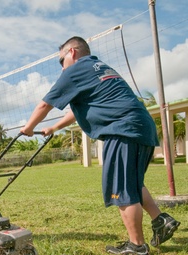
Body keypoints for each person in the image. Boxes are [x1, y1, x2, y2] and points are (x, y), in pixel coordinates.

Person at [20, 36, 180, 255]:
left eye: (61, 61)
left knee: (122, 190)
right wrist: (54, 128)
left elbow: (44, 104)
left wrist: (28, 127)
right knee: (131, 183)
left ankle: (137, 246)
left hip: (122, 129)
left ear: (72, 53)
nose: (61, 67)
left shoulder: (75, 71)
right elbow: (75, 112)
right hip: (141, 127)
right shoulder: (99, 68)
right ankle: (161, 220)